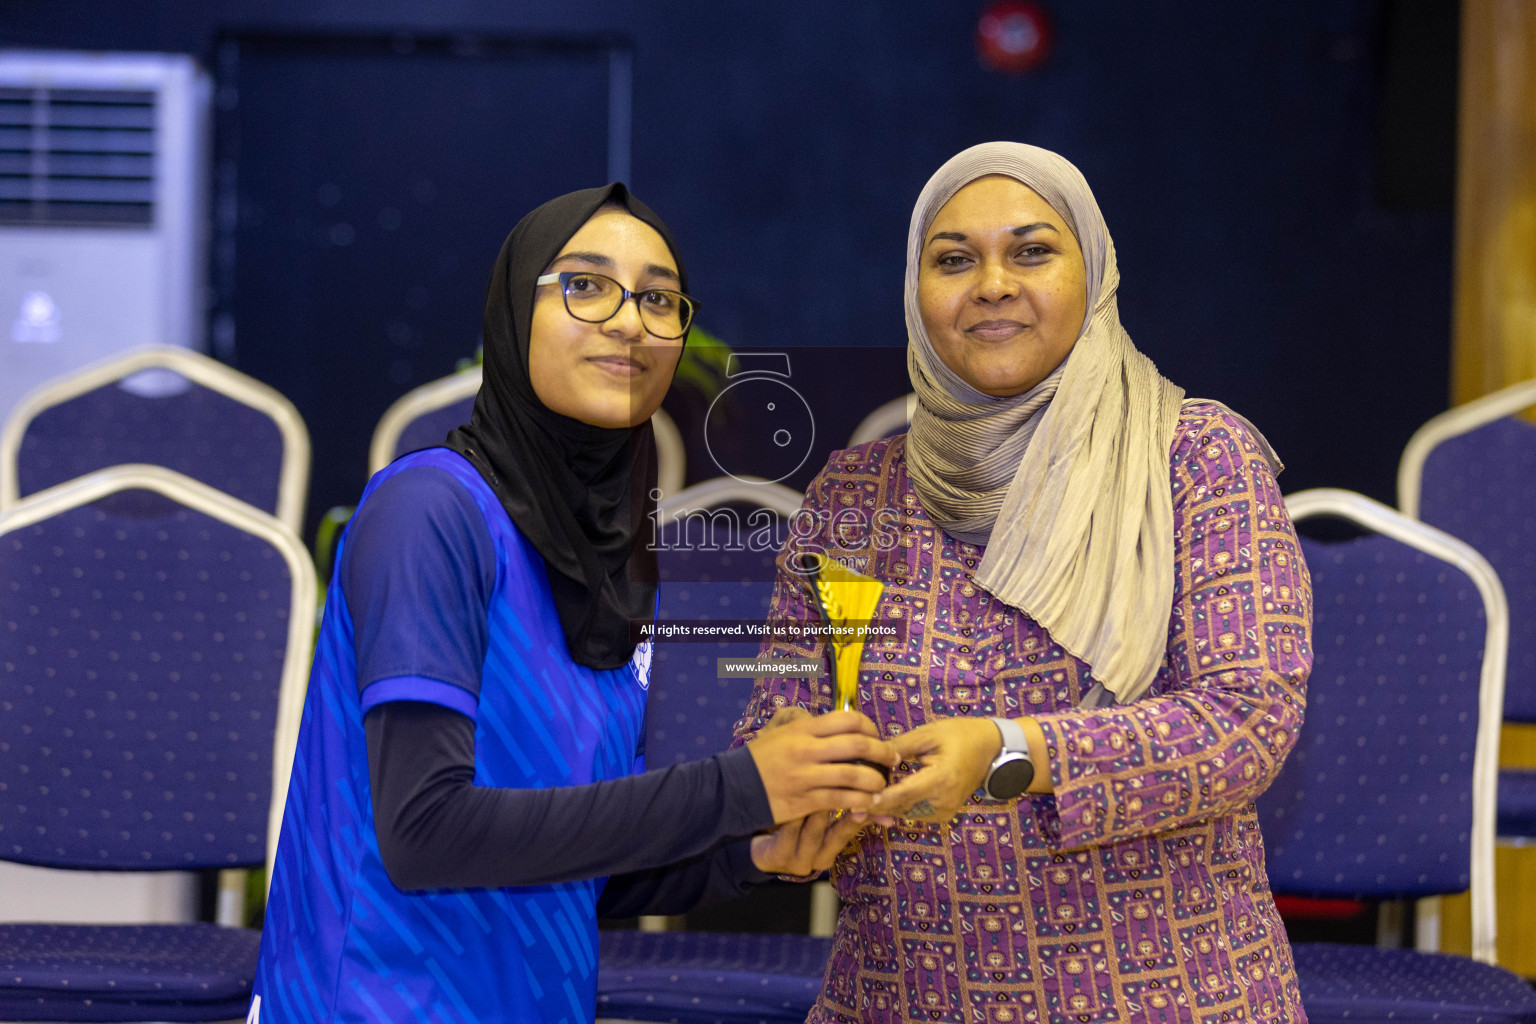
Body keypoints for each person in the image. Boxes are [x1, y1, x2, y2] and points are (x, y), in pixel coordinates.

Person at [249, 183, 898, 1024]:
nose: (630, 321)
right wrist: (738, 788)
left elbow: (574, 858)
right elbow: (424, 833)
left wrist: (755, 852)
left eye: (659, 299)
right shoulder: (429, 513)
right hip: (372, 1002)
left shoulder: (605, 555)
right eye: (586, 285)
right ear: (516, 313)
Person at [734, 143, 1313, 1024]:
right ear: (915, 292)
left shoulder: (1196, 457)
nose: (993, 283)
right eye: (954, 259)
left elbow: (1245, 721)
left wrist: (1012, 755)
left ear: (1097, 272)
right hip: (896, 999)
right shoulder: (852, 497)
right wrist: (792, 786)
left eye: (1032, 251)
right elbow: (777, 701)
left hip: (1165, 998)